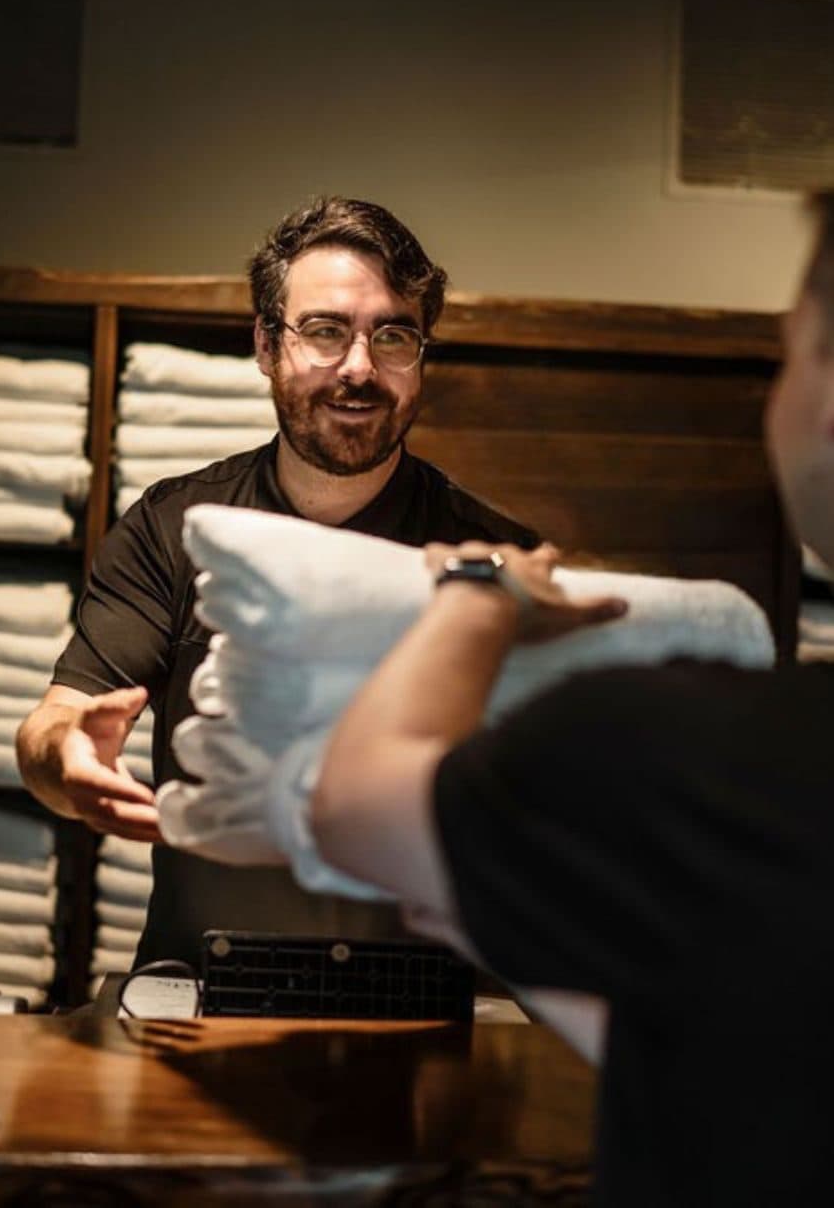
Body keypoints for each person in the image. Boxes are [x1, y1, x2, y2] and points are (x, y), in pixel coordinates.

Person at [308, 194, 834, 1204]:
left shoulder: (686, 750)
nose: (358, 366)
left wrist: (477, 593)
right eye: (326, 331)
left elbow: (356, 802)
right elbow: (756, 1055)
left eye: (792, 351)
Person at [17, 196, 540, 967]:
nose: (360, 368)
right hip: (198, 993)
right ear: (266, 344)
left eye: (393, 336)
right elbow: (52, 725)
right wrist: (67, 761)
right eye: (326, 331)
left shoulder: (494, 557)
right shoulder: (174, 529)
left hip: (421, 1013)